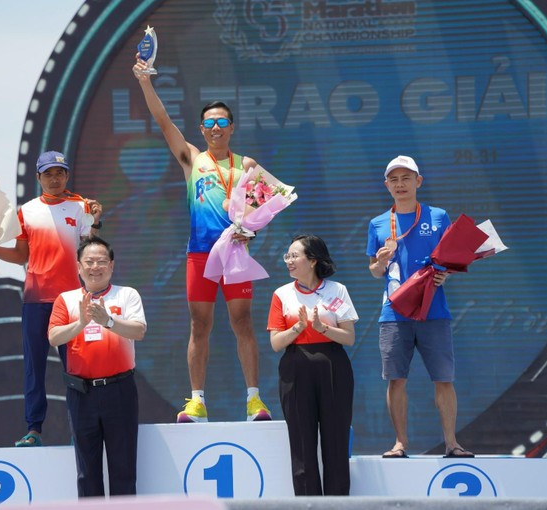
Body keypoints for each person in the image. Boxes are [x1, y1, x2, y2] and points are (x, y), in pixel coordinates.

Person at [132, 56, 271, 423]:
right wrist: (145, 82)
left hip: (236, 254)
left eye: (222, 121)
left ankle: (254, 401)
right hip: (200, 255)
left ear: (232, 127)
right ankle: (197, 402)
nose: (215, 127)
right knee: (199, 324)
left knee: (243, 322)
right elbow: (162, 121)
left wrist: (251, 229)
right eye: (209, 122)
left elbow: (262, 211)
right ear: (202, 128)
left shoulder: (248, 165)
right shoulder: (191, 159)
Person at [0, 150, 102, 447]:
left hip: (69, 300)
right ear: (38, 177)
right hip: (35, 299)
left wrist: (96, 220)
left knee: (77, 368)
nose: (55, 178)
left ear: (67, 175)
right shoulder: (26, 211)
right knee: (34, 367)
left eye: (60, 173)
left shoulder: (80, 206)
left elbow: (90, 248)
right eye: (48, 174)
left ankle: (82, 428)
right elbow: (20, 256)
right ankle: (33, 430)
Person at [366, 155, 474, 459]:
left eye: (406, 178)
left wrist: (445, 274)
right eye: (394, 180)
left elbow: (452, 258)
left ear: (418, 181)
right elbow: (374, 270)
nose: (400, 185)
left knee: (443, 379)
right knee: (396, 379)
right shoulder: (377, 223)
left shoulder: (438, 216)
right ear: (387, 185)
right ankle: (400, 443)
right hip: (393, 313)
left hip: (433, 311)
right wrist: (382, 260)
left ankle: (452, 443)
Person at [48, 236, 146, 497]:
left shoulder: (126, 295)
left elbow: (138, 331)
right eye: (89, 262)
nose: (95, 267)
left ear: (111, 265)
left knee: (123, 468)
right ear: (78, 267)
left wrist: (108, 322)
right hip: (82, 393)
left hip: (119, 389)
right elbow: (54, 337)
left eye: (101, 261)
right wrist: (80, 323)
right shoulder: (66, 300)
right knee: (87, 471)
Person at [267, 234, 358, 495]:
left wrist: (321, 328)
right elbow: (275, 343)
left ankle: (337, 502)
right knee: (302, 443)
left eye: (295, 255)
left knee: (336, 442)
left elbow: (349, 337)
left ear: (313, 260)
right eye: (287, 256)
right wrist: (298, 327)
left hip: (333, 366)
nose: (289, 261)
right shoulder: (281, 294)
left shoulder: (337, 290)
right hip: (295, 368)